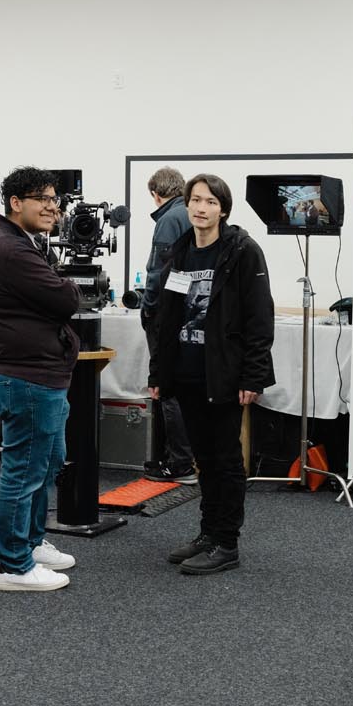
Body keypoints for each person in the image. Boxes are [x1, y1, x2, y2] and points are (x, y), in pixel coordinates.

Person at [145, 174, 274, 576]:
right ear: (187, 205)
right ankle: (208, 533)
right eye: (196, 200)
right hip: (186, 373)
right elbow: (167, 318)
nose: (201, 208)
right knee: (203, 458)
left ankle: (226, 542)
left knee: (225, 460)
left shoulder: (242, 251)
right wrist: (159, 372)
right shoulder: (181, 252)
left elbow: (259, 317)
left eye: (211, 202)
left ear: (223, 210)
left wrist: (253, 377)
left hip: (224, 374)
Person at [0, 167, 83, 593]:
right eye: (44, 199)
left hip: (39, 374)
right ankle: (15, 565)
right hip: (27, 377)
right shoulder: (10, 250)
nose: (53, 207)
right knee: (24, 471)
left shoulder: (19, 244)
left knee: (46, 463)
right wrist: (67, 285)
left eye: (55, 200)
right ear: (16, 203)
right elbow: (66, 298)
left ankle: (31, 543)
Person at [139, 166, 196, 483]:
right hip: (189, 312)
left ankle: (179, 463)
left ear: (155, 193)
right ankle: (185, 459)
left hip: (165, 312)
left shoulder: (168, 219)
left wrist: (148, 307)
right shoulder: (192, 214)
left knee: (167, 386)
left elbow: (158, 272)